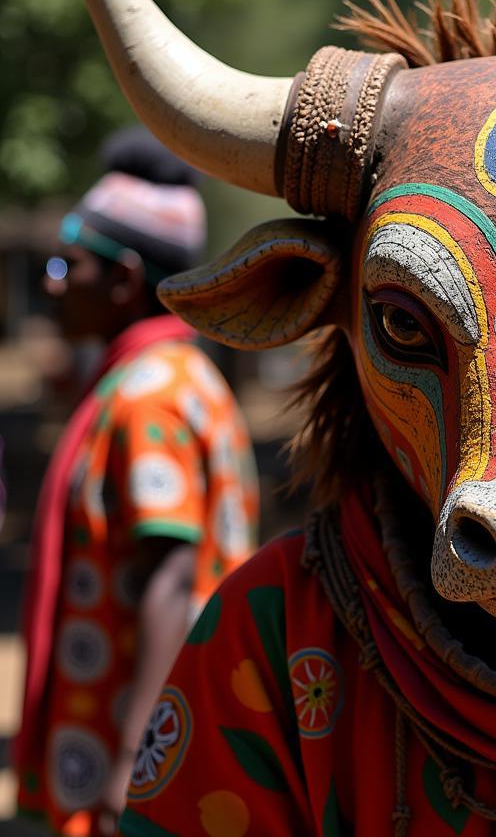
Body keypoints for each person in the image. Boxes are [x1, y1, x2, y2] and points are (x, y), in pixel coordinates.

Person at [14, 128, 260, 836]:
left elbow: (173, 570)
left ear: (123, 280)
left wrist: (131, 757)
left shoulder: (148, 395)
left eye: (67, 266)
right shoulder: (176, 375)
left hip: (133, 737)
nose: (50, 285)